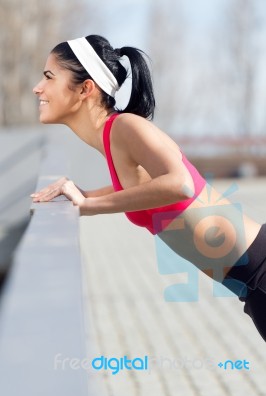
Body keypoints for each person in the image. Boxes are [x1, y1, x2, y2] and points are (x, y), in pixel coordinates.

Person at [32, 34, 266, 341]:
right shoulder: (112, 136)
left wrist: (88, 206)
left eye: (49, 76)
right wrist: (82, 193)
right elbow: (143, 187)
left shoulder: (125, 127)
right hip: (250, 284)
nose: (38, 87)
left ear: (85, 88)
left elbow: (179, 184)